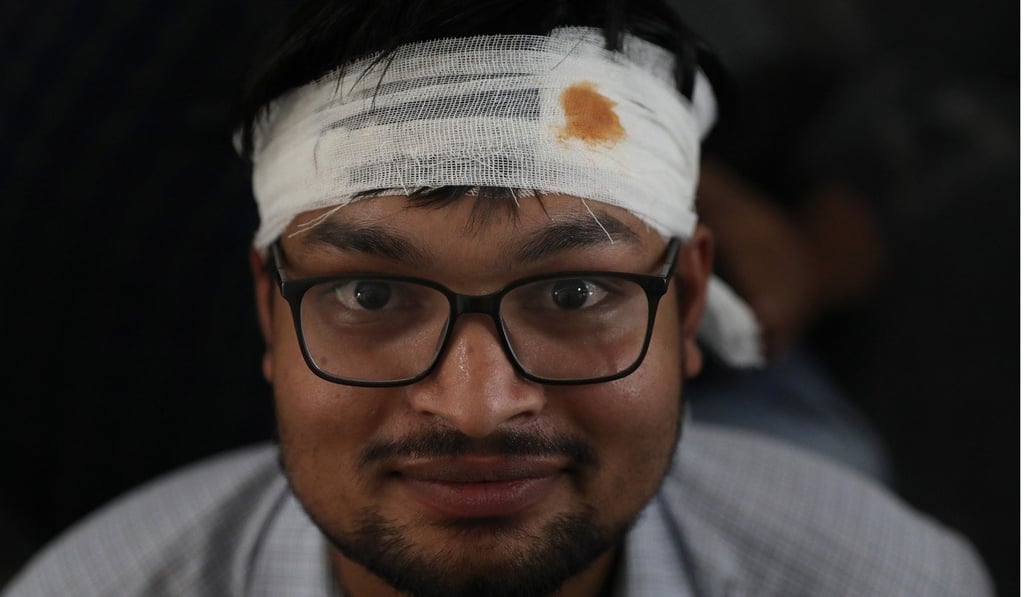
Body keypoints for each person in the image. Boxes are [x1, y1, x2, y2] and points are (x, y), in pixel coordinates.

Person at [1, 1, 994, 596]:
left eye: (569, 291)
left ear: (689, 305)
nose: (475, 406)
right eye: (371, 293)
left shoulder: (886, 579)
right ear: (270, 314)